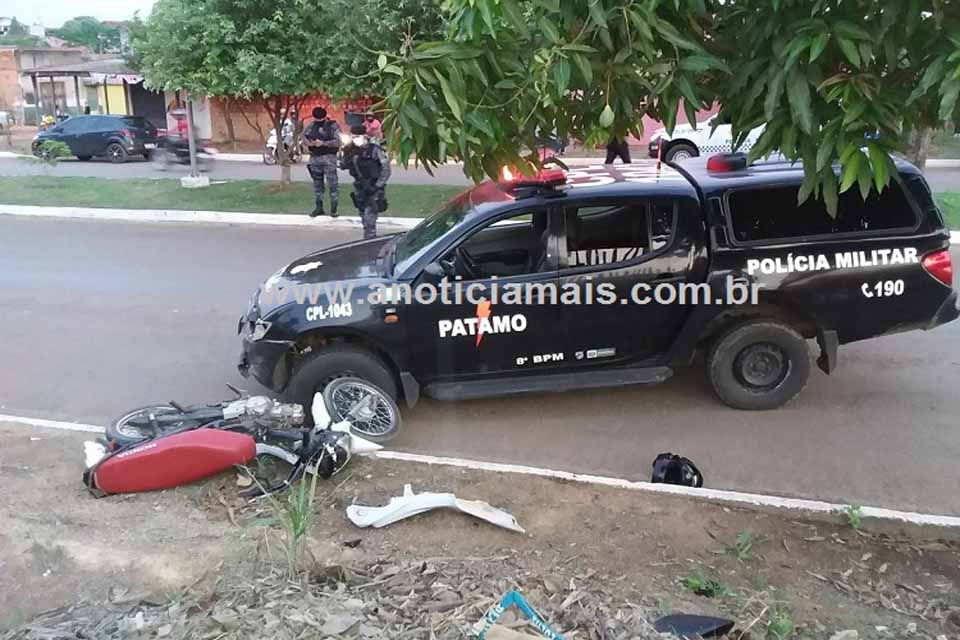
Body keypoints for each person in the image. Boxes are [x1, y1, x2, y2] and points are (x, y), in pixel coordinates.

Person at [341, 125, 391, 239]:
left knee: (370, 218)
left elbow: (386, 169)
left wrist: (377, 186)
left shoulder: (374, 150)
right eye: (352, 136)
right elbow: (343, 165)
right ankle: (368, 238)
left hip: (373, 186)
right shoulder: (350, 149)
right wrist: (345, 153)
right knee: (363, 215)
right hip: (359, 187)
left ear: (364, 136)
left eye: (357, 136)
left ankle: (370, 241)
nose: (354, 139)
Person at [303, 107, 341, 217]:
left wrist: (323, 143)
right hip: (315, 158)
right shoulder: (311, 126)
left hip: (329, 158)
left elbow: (338, 141)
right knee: (317, 185)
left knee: (333, 184)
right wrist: (311, 143)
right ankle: (319, 208)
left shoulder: (332, 126)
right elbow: (304, 138)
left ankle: (333, 209)